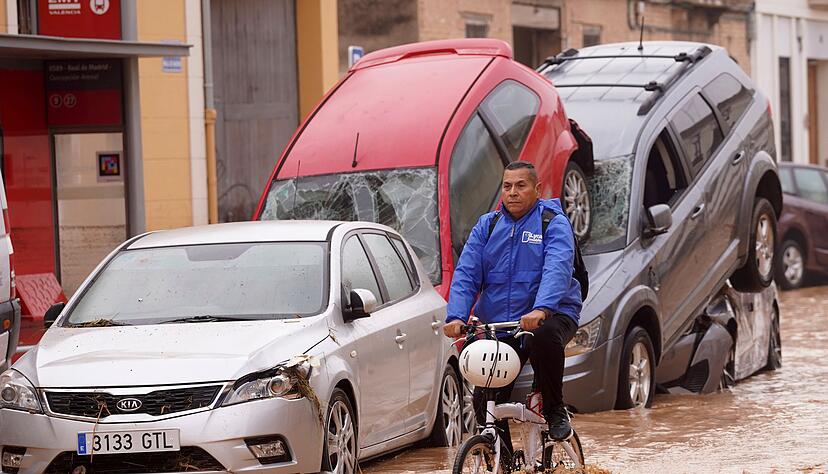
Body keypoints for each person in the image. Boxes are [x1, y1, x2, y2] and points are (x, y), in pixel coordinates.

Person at [443, 160, 582, 446]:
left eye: (521, 186)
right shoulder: (487, 225)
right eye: (507, 186)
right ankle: (501, 456)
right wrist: (456, 316)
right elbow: (467, 273)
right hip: (501, 324)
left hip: (551, 314)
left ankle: (556, 411)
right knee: (485, 401)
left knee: (543, 336)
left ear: (537, 189)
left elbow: (557, 268)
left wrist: (541, 309)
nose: (513, 192)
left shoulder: (552, 222)